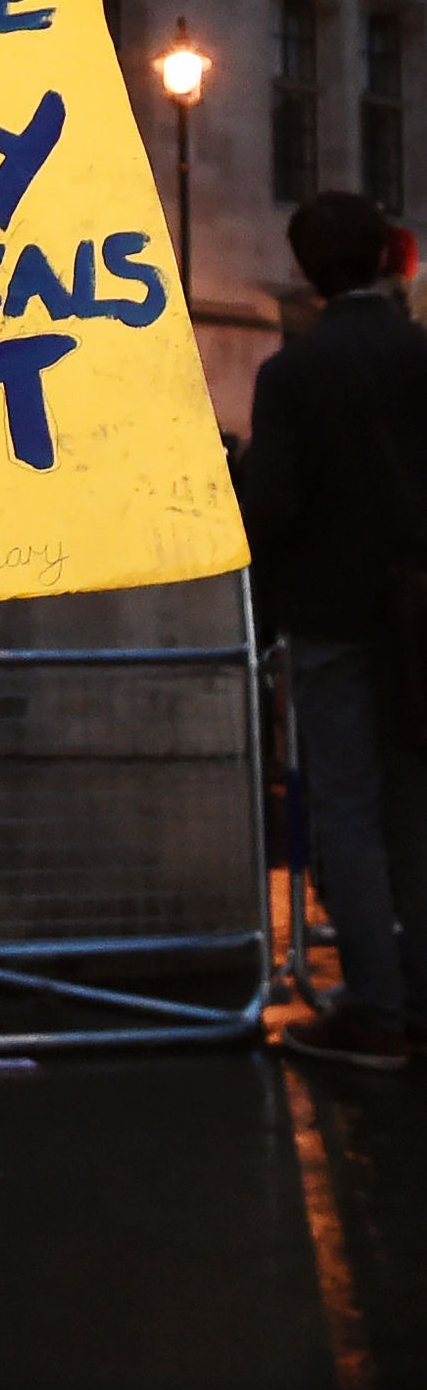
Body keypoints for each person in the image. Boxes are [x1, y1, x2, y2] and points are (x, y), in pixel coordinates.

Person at [236, 189, 427, 1070]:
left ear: (310, 272)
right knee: (412, 805)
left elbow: (270, 504)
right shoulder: (418, 354)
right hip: (418, 615)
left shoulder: (295, 373)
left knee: (345, 810)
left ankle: (376, 1009)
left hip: (336, 613)